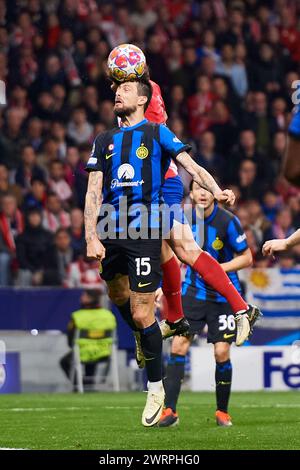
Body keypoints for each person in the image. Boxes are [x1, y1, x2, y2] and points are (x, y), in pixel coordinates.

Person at [84, 78, 259, 426]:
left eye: (127, 86)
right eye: (117, 85)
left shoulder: (154, 114)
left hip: (155, 197)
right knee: (124, 286)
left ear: (144, 97)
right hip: (114, 222)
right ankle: (177, 320)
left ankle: (230, 312)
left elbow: (190, 166)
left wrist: (216, 188)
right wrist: (91, 235)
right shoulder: (105, 138)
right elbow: (92, 191)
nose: (119, 89)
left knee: (179, 249)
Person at [158, 183, 253, 428]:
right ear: (190, 193)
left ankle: (222, 412)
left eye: (206, 189)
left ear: (214, 194)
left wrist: (215, 271)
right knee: (178, 346)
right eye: (197, 189)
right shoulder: (183, 220)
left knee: (221, 352)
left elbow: (247, 257)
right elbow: (170, 254)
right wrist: (162, 287)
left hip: (222, 298)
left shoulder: (228, 221)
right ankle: (170, 410)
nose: (202, 193)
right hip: (193, 294)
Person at [60, 289, 116, 391]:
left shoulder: (78, 316)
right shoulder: (108, 315)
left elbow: (70, 340)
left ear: (90, 299)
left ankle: (80, 384)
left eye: (84, 296)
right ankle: (89, 384)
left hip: (82, 352)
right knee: (92, 357)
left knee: (64, 361)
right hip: (104, 352)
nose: (81, 298)